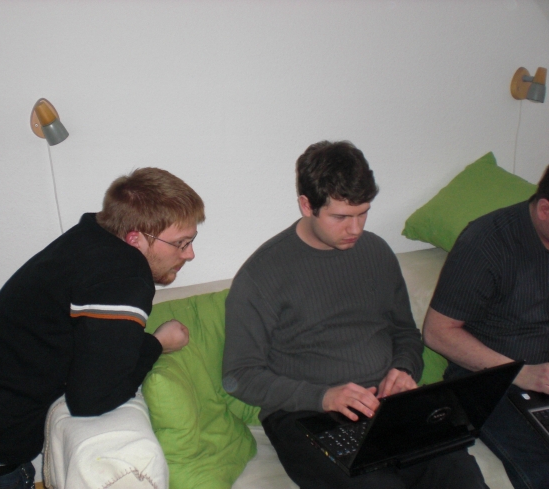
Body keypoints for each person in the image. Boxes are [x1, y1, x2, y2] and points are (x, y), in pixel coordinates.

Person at [0, 167, 205, 489]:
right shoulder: (124, 276)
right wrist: (158, 343)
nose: (190, 254)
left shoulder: (89, 238)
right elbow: (92, 401)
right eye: (180, 243)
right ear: (135, 239)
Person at [222, 141, 487, 489]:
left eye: (363, 213)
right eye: (341, 217)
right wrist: (323, 397)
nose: (355, 229)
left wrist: (404, 369)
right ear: (306, 205)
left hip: (385, 406)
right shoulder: (262, 274)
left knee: (461, 475)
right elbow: (240, 375)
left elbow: (405, 333)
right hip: (307, 414)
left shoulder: (376, 253)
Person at [423, 164, 549, 489]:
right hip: (491, 378)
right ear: (545, 210)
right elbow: (437, 332)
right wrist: (522, 373)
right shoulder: (488, 242)